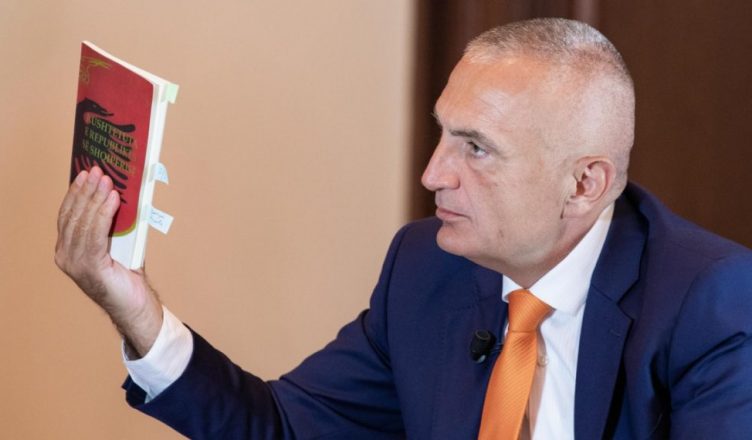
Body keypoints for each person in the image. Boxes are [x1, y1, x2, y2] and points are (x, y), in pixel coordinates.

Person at [55, 18, 752, 439]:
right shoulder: (427, 266)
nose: (433, 173)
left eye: (476, 148)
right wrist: (137, 313)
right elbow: (283, 428)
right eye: (442, 134)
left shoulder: (710, 302)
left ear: (584, 184)